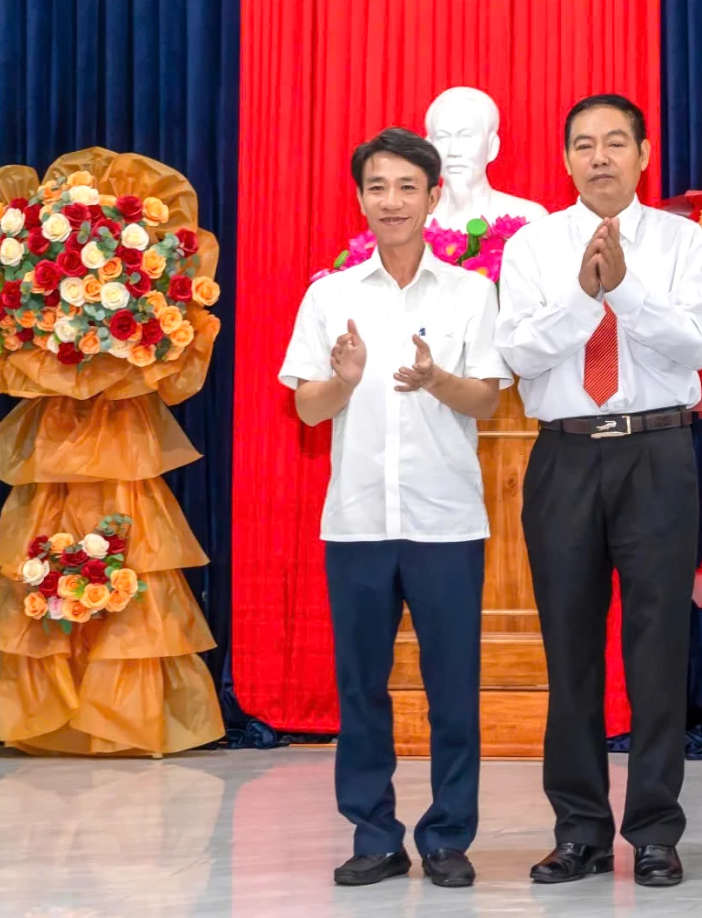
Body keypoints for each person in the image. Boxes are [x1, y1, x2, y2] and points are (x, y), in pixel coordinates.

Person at [495, 94, 702, 889]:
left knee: (658, 648)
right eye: (585, 144)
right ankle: (581, 831)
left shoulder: (684, 243)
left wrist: (626, 291)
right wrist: (585, 296)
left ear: (644, 152)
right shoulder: (531, 246)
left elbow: (697, 343)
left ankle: (656, 830)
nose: (600, 157)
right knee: (571, 653)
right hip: (563, 458)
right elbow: (519, 350)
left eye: (616, 142)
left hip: (657, 451)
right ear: (565, 159)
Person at [279, 128, 512, 889]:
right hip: (356, 523)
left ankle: (447, 836)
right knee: (362, 685)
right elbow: (308, 409)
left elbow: (487, 396)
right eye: (377, 187)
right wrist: (346, 380)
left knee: (453, 686)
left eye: (407, 187)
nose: (391, 201)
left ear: (434, 196)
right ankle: (374, 832)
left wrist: (436, 378)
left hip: (447, 521)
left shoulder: (472, 293)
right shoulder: (330, 294)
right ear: (360, 197)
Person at [424, 85, 550, 227]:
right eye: (442, 138)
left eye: (466, 137)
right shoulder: (415, 221)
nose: (453, 151)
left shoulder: (528, 218)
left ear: (491, 146)